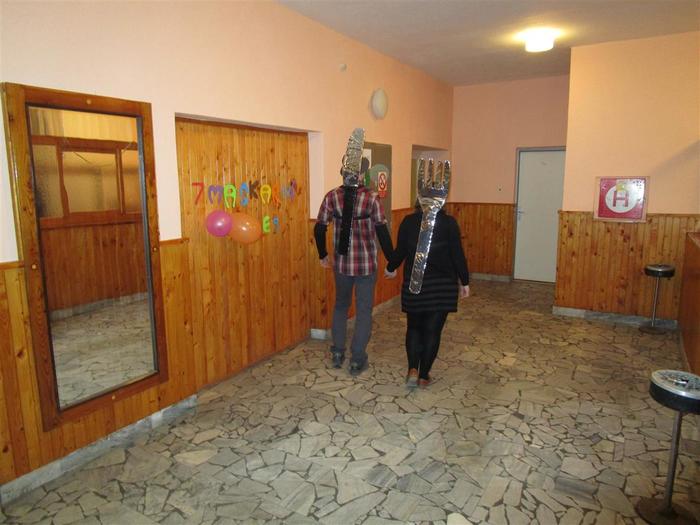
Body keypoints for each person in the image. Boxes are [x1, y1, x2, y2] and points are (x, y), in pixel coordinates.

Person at [314, 129, 393, 376]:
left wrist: (322, 254)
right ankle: (357, 359)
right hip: (366, 265)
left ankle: (337, 352)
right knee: (363, 311)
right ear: (360, 174)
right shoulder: (371, 198)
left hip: (341, 265)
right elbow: (382, 232)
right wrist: (392, 261)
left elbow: (319, 228)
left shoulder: (331, 197)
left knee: (340, 306)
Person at [386, 159, 469, 388]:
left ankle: (412, 368)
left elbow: (400, 251)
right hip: (442, 287)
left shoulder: (408, 222)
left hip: (415, 285)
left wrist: (390, 268)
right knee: (433, 330)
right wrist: (465, 282)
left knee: (413, 327)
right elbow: (457, 255)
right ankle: (424, 375)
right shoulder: (449, 223)